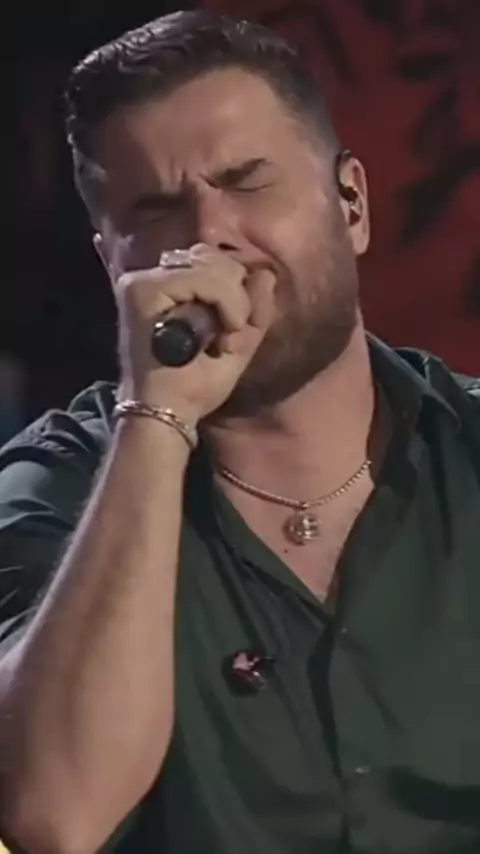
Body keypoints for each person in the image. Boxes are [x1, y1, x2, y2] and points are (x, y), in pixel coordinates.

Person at [0, 9, 479, 854]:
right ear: (111, 263)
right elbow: (55, 816)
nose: (208, 236)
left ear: (351, 205)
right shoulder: (55, 487)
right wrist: (157, 417)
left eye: (246, 181)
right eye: (157, 209)